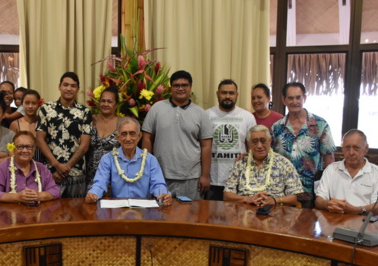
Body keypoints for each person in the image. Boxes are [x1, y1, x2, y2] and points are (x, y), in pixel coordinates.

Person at [142, 70, 212, 200]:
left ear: (190, 87)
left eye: (184, 85)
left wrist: (205, 176)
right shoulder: (156, 109)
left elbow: (206, 146)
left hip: (192, 178)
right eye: (176, 85)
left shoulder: (201, 113)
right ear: (171, 88)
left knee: (190, 217)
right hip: (160, 176)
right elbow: (147, 138)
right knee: (161, 215)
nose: (180, 88)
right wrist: (147, 170)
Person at [270, 82, 336, 208]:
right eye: (290, 98)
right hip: (282, 193)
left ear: (304, 98)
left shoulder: (320, 124)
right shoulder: (276, 127)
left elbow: (329, 159)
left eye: (298, 97)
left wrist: (328, 188)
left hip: (310, 192)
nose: (295, 101)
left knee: (307, 226)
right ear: (284, 100)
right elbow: (269, 156)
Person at [86, 117, 172, 205]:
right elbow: (100, 183)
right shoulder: (108, 159)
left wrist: (163, 195)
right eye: (124, 134)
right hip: (117, 211)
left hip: (144, 211)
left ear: (139, 136)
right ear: (117, 137)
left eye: (132, 133)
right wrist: (93, 194)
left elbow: (158, 184)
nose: (128, 138)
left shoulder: (150, 160)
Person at [36, 72, 92, 198]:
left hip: (76, 173)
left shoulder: (85, 112)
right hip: (51, 172)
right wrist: (56, 165)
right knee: (49, 213)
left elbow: (84, 145)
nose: (69, 88)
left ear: (78, 89)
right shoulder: (46, 109)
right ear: (59, 86)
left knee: (76, 214)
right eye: (65, 85)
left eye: (73, 86)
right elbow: (40, 140)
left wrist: (66, 167)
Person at [224, 125, 303, 207]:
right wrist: (248, 199)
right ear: (249, 144)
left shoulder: (284, 164)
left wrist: (275, 200)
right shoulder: (239, 164)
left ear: (270, 141)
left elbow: (295, 198)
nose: (259, 146)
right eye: (255, 141)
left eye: (263, 141)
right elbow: (227, 195)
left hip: (275, 213)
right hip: (244, 213)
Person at [315, 129, 378, 216]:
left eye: (356, 148)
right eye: (347, 148)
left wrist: (357, 210)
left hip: (366, 222)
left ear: (366, 149)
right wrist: (327, 204)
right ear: (342, 149)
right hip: (336, 220)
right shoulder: (331, 169)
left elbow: (377, 207)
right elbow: (319, 200)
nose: (351, 153)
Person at [206, 79, 257, 201]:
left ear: (237, 95)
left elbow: (253, 148)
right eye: (224, 93)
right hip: (213, 180)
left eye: (231, 93)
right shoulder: (206, 115)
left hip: (239, 180)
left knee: (237, 218)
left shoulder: (247, 117)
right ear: (217, 94)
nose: (227, 96)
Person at [0, 131, 60, 203]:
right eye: (20, 147)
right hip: (10, 214)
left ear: (34, 150)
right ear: (14, 149)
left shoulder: (41, 168)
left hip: (37, 213)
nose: (24, 150)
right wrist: (17, 197)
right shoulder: (3, 167)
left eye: (28, 147)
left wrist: (39, 196)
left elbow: (56, 190)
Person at [86, 85, 120, 187]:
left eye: (109, 102)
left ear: (116, 104)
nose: (105, 104)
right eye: (103, 101)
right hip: (90, 177)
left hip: (114, 178)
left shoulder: (122, 123)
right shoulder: (90, 120)